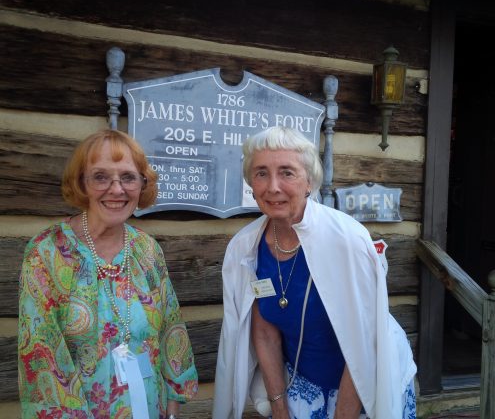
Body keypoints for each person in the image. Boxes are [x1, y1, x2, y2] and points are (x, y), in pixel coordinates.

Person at [212, 126, 416, 419]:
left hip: (365, 381)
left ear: (309, 182)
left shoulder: (348, 240)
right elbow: (265, 332)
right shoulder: (247, 247)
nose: (273, 187)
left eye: (287, 172)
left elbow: (363, 345)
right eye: (261, 173)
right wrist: (280, 409)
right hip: (302, 383)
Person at [18, 129, 198, 418]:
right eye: (101, 177)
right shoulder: (47, 253)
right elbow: (42, 359)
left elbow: (171, 330)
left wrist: (173, 405)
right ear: (82, 184)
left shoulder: (146, 250)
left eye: (128, 177)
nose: (117, 189)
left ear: (142, 184)